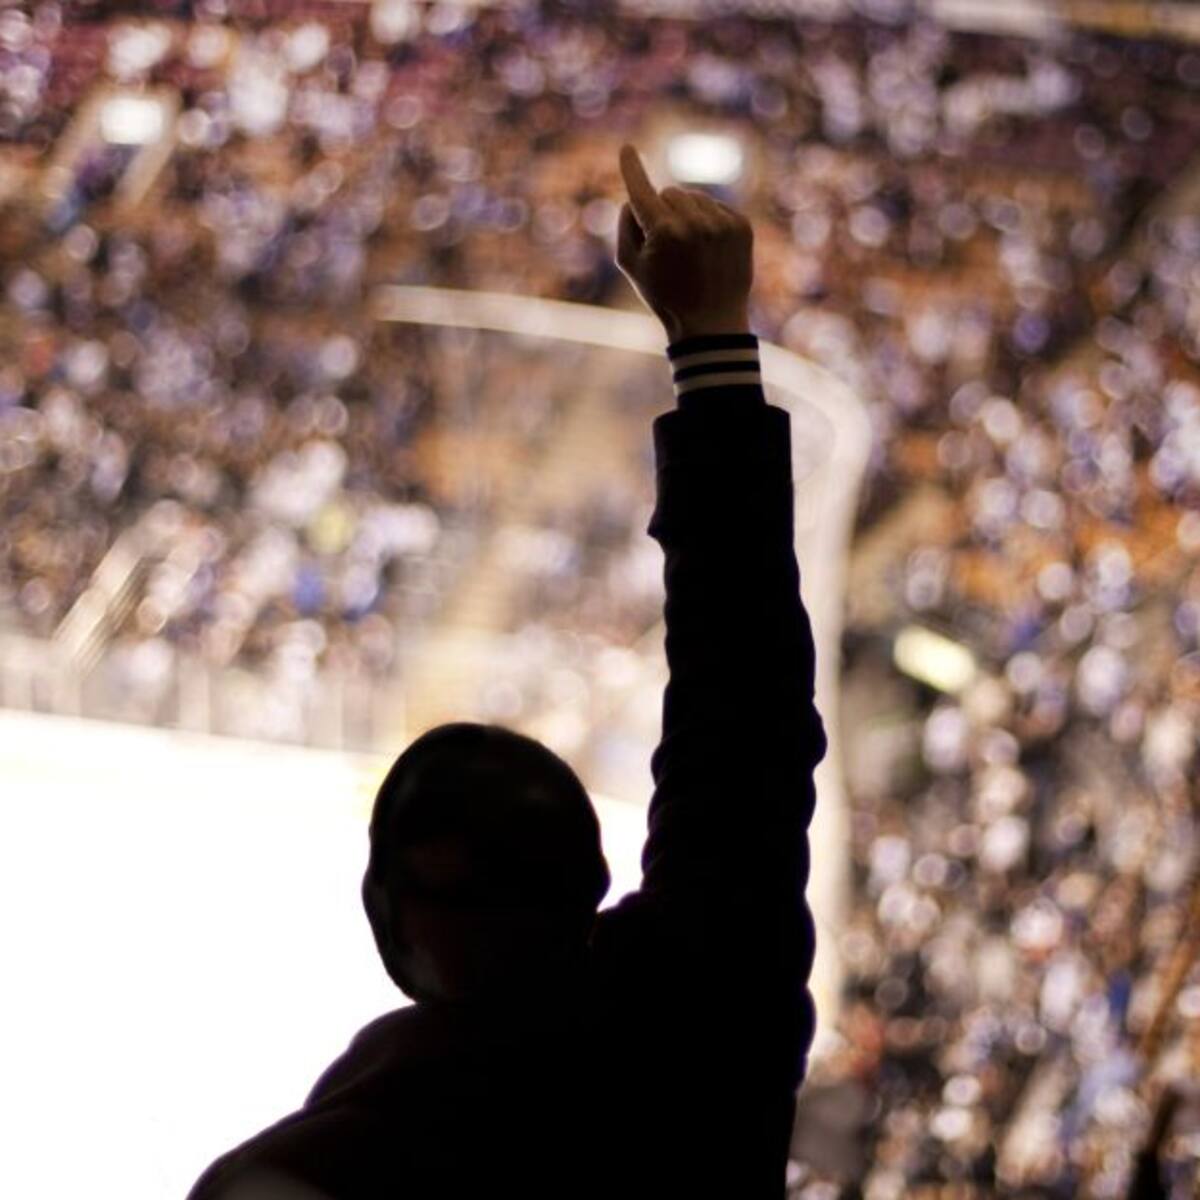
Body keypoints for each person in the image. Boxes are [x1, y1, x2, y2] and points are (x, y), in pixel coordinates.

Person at [186, 144, 827, 1199]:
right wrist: (713, 341)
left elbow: (744, 714)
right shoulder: (709, 999)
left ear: (389, 919)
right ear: (590, 884)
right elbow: (747, 711)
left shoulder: (379, 1128)